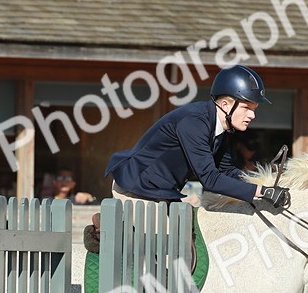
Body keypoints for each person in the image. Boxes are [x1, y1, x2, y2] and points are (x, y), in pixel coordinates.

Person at [98, 64, 290, 217]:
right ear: (225, 104)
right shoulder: (193, 122)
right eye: (247, 108)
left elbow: (226, 171)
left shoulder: (221, 128)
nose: (252, 116)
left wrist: (265, 184)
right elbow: (210, 179)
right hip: (137, 189)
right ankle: (100, 229)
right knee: (172, 247)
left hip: (162, 192)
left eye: (254, 109)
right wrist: (261, 192)